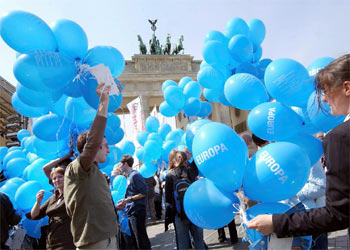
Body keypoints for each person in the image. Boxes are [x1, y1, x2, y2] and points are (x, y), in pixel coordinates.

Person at [247, 54, 350, 239]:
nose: (323, 99)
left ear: (347, 88)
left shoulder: (340, 137)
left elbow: (338, 214)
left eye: (326, 91)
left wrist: (275, 223)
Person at [64, 83, 119, 249]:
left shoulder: (95, 172)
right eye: (105, 145)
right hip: (94, 243)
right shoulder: (76, 169)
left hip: (109, 238)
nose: (109, 150)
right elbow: (94, 138)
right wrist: (104, 102)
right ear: (93, 148)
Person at [165, 151, 205, 250]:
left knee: (182, 245)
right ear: (185, 160)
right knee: (199, 242)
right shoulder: (191, 171)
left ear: (173, 161)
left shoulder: (170, 176)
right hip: (195, 213)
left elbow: (168, 199)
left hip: (179, 215)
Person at [27, 167, 75, 250]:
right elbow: (34, 215)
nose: (57, 180)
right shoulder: (52, 198)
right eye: (54, 178)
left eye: (60, 177)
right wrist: (38, 201)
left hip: (68, 238)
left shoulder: (73, 193)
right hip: (52, 240)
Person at [117, 155, 151, 250]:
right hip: (131, 211)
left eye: (120, 164)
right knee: (137, 239)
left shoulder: (135, 175)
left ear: (126, 164)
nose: (119, 166)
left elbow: (144, 192)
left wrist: (128, 199)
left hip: (137, 211)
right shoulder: (128, 177)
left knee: (141, 239)